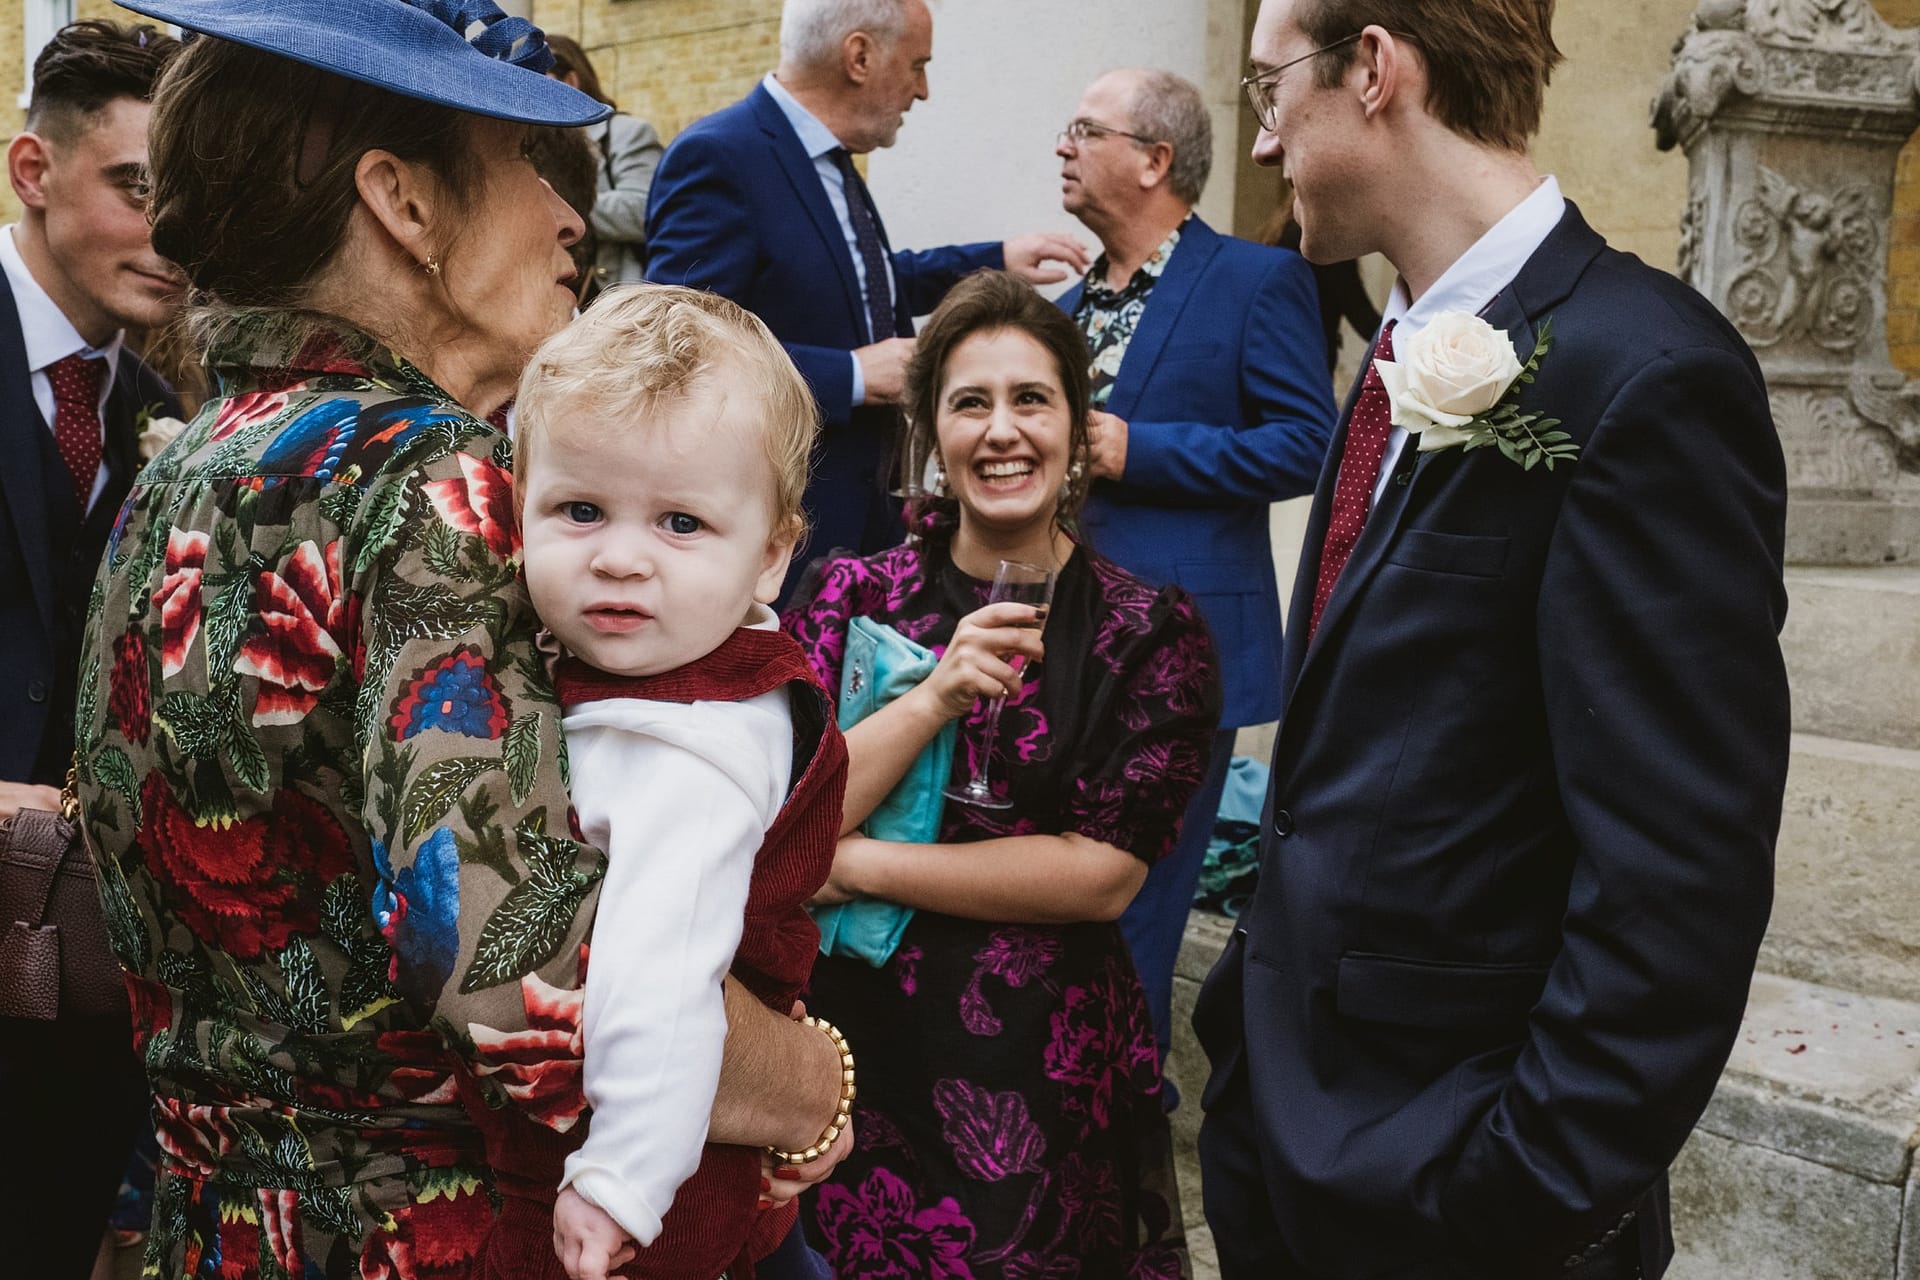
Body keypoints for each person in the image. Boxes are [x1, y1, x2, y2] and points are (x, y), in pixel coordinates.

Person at [77, 2, 852, 1275]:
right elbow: (532, 994)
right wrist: (812, 1079)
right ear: (405, 204)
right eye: (523, 165)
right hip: (429, 1237)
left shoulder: (180, 474)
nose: (565, 216)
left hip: (220, 1236)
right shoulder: (432, 480)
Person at [1193, 4, 1791, 1279]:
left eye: (1270, 87)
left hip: (1454, 1198)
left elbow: (1677, 879)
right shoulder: (1398, 350)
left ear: (1373, 68)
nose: (1260, 144)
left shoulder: (1647, 377)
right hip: (1293, 1147)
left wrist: (1513, 1193)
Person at [784, 269, 1221, 1279]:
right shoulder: (857, 594)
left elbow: (1100, 873)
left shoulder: (1147, 631)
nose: (1002, 429)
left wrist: (859, 866)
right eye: (970, 402)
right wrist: (931, 699)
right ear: (931, 432)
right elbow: (790, 816)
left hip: (1037, 1061)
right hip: (856, 1043)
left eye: (1032, 398)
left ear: (1078, 424)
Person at [513, 285, 848, 1280]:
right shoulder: (647, 664)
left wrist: (618, 1179)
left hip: (657, 1184)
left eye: (681, 523)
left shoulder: (689, 745)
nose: (620, 556)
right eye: (579, 509)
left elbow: (660, 975)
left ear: (773, 555)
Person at [1053, 66, 1335, 1084]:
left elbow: (1308, 442)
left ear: (1155, 158)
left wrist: (1142, 450)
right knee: (1068, 891)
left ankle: (1120, 1111)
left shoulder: (1259, 281)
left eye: (1085, 129)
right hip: (1059, 642)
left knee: (1145, 904)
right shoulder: (1064, 304)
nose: (1063, 146)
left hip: (1188, 650)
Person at [646, 0, 1090, 597]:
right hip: (787, 533)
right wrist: (851, 374)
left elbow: (857, 279)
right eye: (917, 65)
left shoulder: (830, 161)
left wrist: (997, 256)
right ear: (859, 56)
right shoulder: (720, 155)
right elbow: (679, 343)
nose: (923, 90)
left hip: (866, 526)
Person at [0, 20, 182, 1278]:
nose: (174, 240)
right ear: (32, 171)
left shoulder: (171, 409)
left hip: (84, 1000)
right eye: (136, 190)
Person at [545, 34, 662, 295]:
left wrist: (560, 205)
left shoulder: (627, 133)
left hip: (610, 293)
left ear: (571, 82)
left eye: (540, 83)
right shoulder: (531, 144)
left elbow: (646, 211)